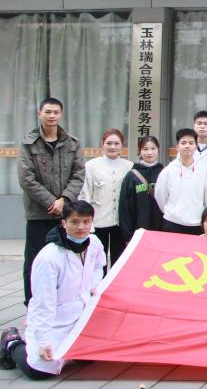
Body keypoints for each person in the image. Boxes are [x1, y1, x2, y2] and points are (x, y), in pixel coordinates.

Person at [0, 200, 104, 379]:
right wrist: (44, 341)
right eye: (74, 222)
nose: (81, 227)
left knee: (89, 359)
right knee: (39, 369)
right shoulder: (49, 257)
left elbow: (98, 266)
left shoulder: (94, 243)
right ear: (64, 223)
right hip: (54, 321)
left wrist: (93, 286)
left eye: (86, 222)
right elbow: (43, 302)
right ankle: (11, 342)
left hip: (80, 317)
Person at [17, 97, 85, 305]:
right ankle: (33, 303)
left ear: (61, 114)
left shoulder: (72, 143)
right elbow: (26, 179)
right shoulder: (28, 144)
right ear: (40, 114)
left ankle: (63, 302)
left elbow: (78, 174)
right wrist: (52, 202)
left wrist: (64, 200)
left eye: (56, 112)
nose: (52, 116)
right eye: (48, 112)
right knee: (36, 260)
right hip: (39, 213)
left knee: (67, 259)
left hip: (66, 214)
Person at [79, 128, 132, 267]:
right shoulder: (91, 166)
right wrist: (86, 221)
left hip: (120, 223)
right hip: (97, 220)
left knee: (119, 260)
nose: (112, 147)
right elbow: (85, 194)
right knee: (97, 260)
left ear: (122, 145)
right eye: (109, 143)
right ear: (102, 144)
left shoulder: (129, 167)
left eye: (116, 143)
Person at [154, 128, 207, 235]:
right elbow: (160, 196)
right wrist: (172, 212)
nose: (187, 146)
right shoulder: (168, 171)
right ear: (177, 147)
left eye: (191, 143)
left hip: (197, 224)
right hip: (172, 223)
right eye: (183, 143)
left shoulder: (204, 170)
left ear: (196, 146)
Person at [117, 136, 164, 241]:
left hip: (161, 231)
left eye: (153, 148)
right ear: (140, 151)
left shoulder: (165, 173)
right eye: (145, 149)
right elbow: (124, 207)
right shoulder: (131, 176)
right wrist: (127, 235)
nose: (149, 152)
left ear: (158, 150)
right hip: (138, 232)